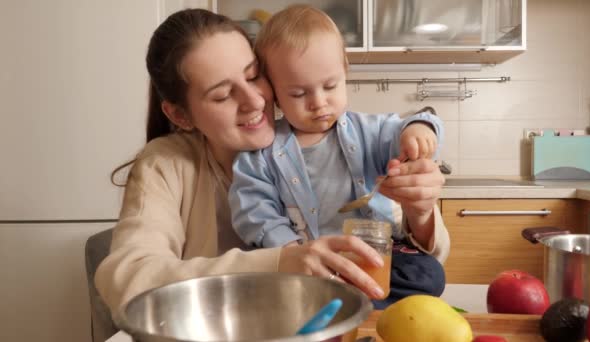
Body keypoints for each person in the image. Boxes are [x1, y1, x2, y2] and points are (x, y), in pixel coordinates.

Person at [94, 8, 393, 319]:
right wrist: (280, 261)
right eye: (223, 95)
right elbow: (126, 281)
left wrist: (420, 212)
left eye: (254, 76)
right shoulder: (165, 165)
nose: (255, 101)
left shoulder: (321, 138)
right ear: (180, 115)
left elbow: (421, 246)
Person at [228, 5, 449, 308]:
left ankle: (353, 304)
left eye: (330, 86)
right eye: (297, 94)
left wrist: (419, 130)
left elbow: (414, 123)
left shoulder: (370, 131)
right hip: (315, 264)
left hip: (377, 256)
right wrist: (292, 251)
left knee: (429, 274)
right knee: (272, 290)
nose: (319, 103)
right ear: (274, 93)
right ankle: (346, 303)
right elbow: (254, 213)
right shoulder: (259, 155)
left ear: (345, 70)